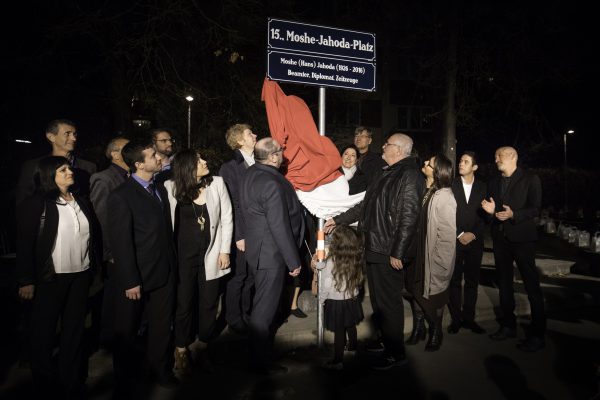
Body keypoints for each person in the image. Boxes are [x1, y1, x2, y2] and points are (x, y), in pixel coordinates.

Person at [325, 133, 424, 370]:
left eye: (387, 143)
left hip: (388, 249)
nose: (383, 146)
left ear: (399, 150)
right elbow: (364, 206)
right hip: (375, 246)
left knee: (389, 303)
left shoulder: (409, 174)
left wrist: (398, 252)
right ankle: (385, 340)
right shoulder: (384, 172)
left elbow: (409, 217)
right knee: (380, 303)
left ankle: (395, 352)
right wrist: (338, 220)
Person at [16, 156, 100, 397]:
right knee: (43, 333)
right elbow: (24, 245)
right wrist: (26, 279)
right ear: (48, 175)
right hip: (50, 278)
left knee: (74, 331)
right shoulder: (36, 204)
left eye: (69, 167)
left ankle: (71, 381)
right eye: (62, 169)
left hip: (80, 276)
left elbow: (91, 237)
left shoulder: (81, 201)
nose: (69, 171)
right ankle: (44, 385)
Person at [107, 140, 178, 390]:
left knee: (161, 327)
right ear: (138, 164)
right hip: (136, 276)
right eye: (152, 156)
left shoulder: (160, 189)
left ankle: (160, 370)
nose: (159, 158)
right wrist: (130, 280)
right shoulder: (121, 195)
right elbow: (121, 242)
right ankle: (125, 380)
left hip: (164, 272)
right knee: (127, 330)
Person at [164, 149, 233, 375]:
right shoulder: (170, 188)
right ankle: (181, 349)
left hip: (211, 254)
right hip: (183, 258)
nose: (205, 161)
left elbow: (226, 217)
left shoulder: (217, 183)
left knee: (209, 302)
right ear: (188, 167)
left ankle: (203, 346)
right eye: (199, 160)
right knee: (184, 304)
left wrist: (224, 250)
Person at [240, 137, 305, 374]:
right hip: (271, 255)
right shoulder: (271, 182)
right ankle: (260, 363)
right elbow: (279, 225)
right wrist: (293, 261)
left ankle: (258, 357)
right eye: (281, 151)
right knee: (263, 313)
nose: (283, 155)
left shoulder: (250, 174)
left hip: (259, 252)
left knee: (262, 308)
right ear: (273, 156)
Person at [482, 146, 545, 352]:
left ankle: (537, 334)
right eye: (495, 155)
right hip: (501, 239)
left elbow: (536, 208)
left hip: (523, 239)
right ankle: (508, 326)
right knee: (504, 284)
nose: (496, 158)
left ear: (513, 157)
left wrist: (513, 215)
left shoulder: (530, 179)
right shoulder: (493, 182)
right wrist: (491, 212)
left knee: (531, 286)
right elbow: (491, 211)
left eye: (499, 155)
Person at [405, 154, 457, 352]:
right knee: (414, 288)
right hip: (416, 249)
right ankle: (419, 328)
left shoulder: (444, 196)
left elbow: (446, 234)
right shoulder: (421, 188)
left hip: (432, 253)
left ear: (437, 171)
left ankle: (436, 330)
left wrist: (440, 262)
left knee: (434, 294)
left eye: (429, 163)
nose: (425, 163)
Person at [89, 136, 130, 349]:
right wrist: (109, 252)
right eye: (126, 148)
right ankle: (108, 340)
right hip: (114, 253)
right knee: (111, 300)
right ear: (114, 153)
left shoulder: (130, 176)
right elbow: (101, 220)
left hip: (127, 251)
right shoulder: (103, 179)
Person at [219, 123, 257, 333]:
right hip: (242, 233)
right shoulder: (230, 168)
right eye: (249, 134)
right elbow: (232, 203)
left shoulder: (259, 162)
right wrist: (239, 235)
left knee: (252, 276)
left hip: (259, 231)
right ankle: (234, 318)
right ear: (239, 141)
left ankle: (247, 313)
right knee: (239, 276)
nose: (254, 136)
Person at [313, 225, 364, 370]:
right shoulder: (355, 258)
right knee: (350, 325)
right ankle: (353, 348)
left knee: (339, 330)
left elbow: (326, 284)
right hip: (351, 299)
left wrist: (321, 300)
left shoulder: (330, 261)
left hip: (336, 301)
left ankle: (338, 360)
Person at [447, 151, 487, 335]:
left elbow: (486, 216)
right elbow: (446, 213)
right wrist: (459, 233)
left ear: (475, 167)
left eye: (466, 161)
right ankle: (456, 320)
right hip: (455, 240)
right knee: (454, 281)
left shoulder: (483, 187)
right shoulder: (451, 185)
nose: (461, 164)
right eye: (461, 161)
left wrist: (474, 234)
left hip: (475, 241)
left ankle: (469, 319)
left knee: (472, 282)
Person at [16, 119, 97, 205]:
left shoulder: (89, 167)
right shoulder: (32, 166)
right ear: (51, 137)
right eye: (67, 134)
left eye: (74, 134)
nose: (74, 138)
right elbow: (23, 202)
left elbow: (94, 201)